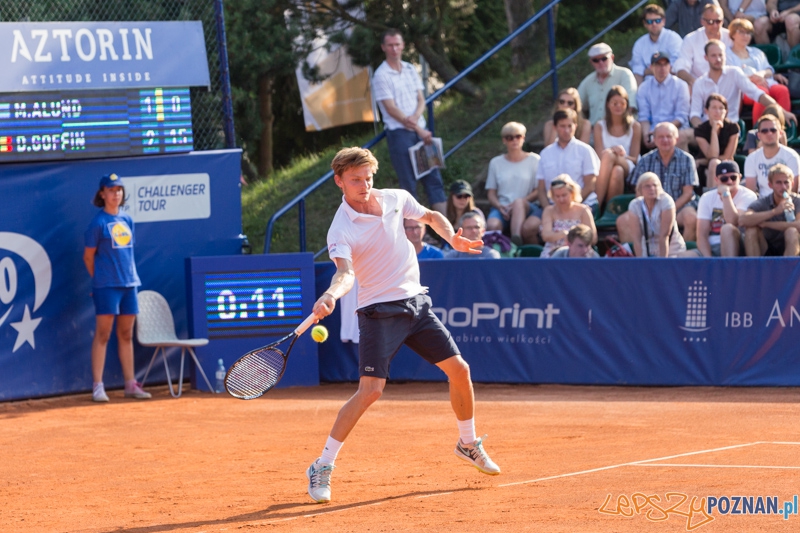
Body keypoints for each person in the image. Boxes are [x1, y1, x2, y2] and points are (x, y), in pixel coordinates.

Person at [307, 147, 500, 504]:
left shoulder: (395, 197)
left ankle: (467, 442)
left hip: (416, 303)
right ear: (339, 182)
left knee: (460, 369)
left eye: (368, 178)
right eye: (355, 180)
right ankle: (322, 465)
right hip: (379, 312)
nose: (364, 185)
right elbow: (345, 272)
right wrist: (332, 295)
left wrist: (451, 238)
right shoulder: (341, 227)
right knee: (371, 391)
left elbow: (429, 215)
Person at [83, 173, 151, 403]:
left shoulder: (128, 220)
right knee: (103, 334)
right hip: (106, 287)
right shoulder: (97, 224)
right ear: (102, 194)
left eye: (119, 190)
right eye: (111, 190)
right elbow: (88, 258)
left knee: (125, 334)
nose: (116, 194)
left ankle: (130, 384)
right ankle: (98, 386)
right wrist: (100, 279)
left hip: (130, 284)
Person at [372, 29, 446, 214]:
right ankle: (415, 234)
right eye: (390, 45)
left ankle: (447, 233)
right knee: (408, 185)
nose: (394, 49)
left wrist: (417, 121)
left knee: (434, 179)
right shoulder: (381, 75)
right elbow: (391, 109)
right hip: (400, 134)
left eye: (397, 44)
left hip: (420, 129)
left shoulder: (410, 69)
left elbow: (421, 99)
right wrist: (419, 129)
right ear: (383, 47)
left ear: (403, 45)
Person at [621, 122, 699, 242]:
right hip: (651, 208)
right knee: (623, 221)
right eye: (661, 137)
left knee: (691, 218)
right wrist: (652, 211)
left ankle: (681, 256)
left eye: (669, 136)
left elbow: (688, 193)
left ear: (676, 139)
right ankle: (636, 257)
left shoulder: (687, 159)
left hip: (679, 208)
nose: (665, 140)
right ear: (655, 140)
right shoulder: (645, 160)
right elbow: (639, 191)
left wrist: (668, 210)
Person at [689, 40, 794, 127]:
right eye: (713, 56)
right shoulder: (699, 83)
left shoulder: (734, 73)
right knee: (684, 137)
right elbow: (694, 114)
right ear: (706, 58)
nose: (718, 59)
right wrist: (702, 131)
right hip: (706, 127)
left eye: (721, 55)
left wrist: (783, 112)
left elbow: (757, 94)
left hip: (729, 128)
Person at [534, 108, 600, 213]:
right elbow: (541, 189)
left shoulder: (585, 151)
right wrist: (548, 210)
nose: (567, 130)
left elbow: (590, 185)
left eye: (570, 126)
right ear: (555, 128)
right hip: (552, 206)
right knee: (530, 227)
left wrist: (570, 206)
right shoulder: (545, 154)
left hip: (583, 204)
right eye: (562, 126)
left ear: (576, 126)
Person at [485, 121, 540, 245]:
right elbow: (491, 192)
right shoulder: (496, 162)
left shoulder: (534, 160)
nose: (514, 140)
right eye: (509, 138)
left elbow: (538, 190)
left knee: (519, 203)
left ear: (523, 138)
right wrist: (499, 206)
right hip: (502, 207)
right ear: (504, 140)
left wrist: (516, 205)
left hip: (527, 205)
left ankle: (516, 240)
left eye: (518, 136)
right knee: (492, 225)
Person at [726, 18, 791, 122]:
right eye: (741, 32)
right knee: (761, 92)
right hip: (744, 88)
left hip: (765, 82)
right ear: (733, 34)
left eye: (748, 33)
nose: (745, 36)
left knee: (782, 90)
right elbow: (730, 74)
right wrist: (753, 79)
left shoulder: (757, 52)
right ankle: (759, 131)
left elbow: (770, 70)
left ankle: (782, 128)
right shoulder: (726, 54)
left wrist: (762, 74)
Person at [694, 160, 758, 256]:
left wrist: (726, 195)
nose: (729, 181)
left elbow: (733, 221)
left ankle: (728, 269)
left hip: (737, 244)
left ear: (740, 178)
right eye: (724, 179)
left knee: (727, 229)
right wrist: (709, 261)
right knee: (683, 256)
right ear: (716, 180)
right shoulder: (706, 197)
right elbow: (702, 235)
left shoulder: (748, 195)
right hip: (712, 247)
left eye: (733, 177)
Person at [593, 85, 642, 208]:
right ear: (608, 105)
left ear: (627, 105)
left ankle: (596, 205)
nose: (618, 106)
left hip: (628, 164)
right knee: (617, 172)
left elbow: (635, 159)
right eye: (614, 103)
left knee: (610, 156)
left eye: (622, 103)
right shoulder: (599, 126)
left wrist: (620, 154)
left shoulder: (635, 126)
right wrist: (612, 153)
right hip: (605, 166)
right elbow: (599, 156)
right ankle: (611, 210)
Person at [621, 172, 688, 257]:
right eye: (647, 186)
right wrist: (641, 262)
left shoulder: (666, 201)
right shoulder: (635, 205)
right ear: (640, 189)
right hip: (647, 249)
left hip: (672, 248)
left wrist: (662, 263)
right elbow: (637, 239)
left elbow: (664, 236)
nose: (652, 188)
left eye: (655, 185)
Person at [637, 52, 693, 151]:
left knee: (677, 138)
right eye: (658, 65)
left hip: (676, 128)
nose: (662, 68)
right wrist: (646, 133)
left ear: (670, 66)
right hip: (652, 130)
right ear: (651, 67)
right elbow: (643, 116)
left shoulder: (681, 85)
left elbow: (681, 117)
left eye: (665, 64)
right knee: (635, 134)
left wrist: (661, 132)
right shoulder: (644, 88)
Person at [740, 163, 800, 255]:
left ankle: (788, 268)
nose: (783, 187)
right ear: (770, 185)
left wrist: (766, 224)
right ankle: (754, 268)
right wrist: (774, 212)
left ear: (792, 184)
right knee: (751, 231)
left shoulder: (797, 201)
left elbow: (798, 225)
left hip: (793, 247)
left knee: (791, 231)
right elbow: (743, 220)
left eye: (786, 182)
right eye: (778, 183)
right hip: (767, 247)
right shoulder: (764, 202)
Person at [577, 43, 638, 126]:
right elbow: (575, 106)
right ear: (591, 62)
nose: (601, 62)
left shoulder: (624, 75)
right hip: (593, 132)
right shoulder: (587, 81)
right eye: (596, 60)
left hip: (620, 129)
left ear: (612, 57)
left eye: (604, 58)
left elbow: (630, 106)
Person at [675, 4, 733, 87]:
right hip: (700, 85)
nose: (715, 25)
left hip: (727, 85)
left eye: (718, 21)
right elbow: (681, 68)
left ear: (723, 21)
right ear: (702, 21)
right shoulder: (691, 39)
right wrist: (695, 83)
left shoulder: (731, 37)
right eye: (710, 22)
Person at [539, 176, 597, 258]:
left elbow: (593, 238)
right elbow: (545, 235)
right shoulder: (549, 210)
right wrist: (564, 234)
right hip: (552, 252)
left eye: (564, 195)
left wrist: (575, 239)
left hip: (579, 251)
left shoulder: (584, 210)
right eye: (557, 196)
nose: (561, 199)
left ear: (572, 193)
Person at [744, 113, 800, 196]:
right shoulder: (751, 158)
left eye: (773, 130)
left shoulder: (791, 156)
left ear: (780, 133)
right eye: (764, 131)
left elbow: (793, 190)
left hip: (787, 200)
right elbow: (750, 193)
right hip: (763, 203)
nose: (769, 133)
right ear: (759, 135)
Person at [693, 93, 740, 187]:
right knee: (713, 163)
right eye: (714, 107)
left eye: (721, 108)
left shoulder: (733, 128)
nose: (717, 111)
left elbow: (727, 156)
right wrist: (714, 131)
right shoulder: (700, 130)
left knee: (714, 163)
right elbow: (712, 155)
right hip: (705, 167)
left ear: (726, 111)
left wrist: (702, 160)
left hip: (726, 164)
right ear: (706, 110)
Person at [630, 4, 684, 85]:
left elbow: (677, 67)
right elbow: (637, 72)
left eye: (657, 20)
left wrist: (648, 71)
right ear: (645, 23)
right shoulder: (639, 44)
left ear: (663, 21)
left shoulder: (674, 39)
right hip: (648, 87)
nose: (654, 24)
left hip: (672, 85)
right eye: (650, 21)